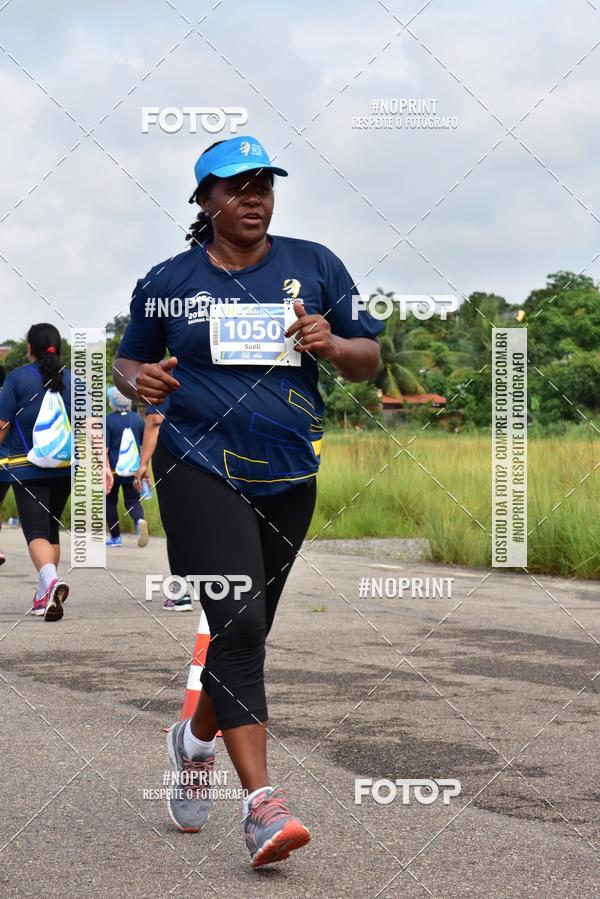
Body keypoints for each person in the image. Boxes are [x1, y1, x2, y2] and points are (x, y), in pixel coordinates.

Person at [113, 135, 382, 868]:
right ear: (204, 201)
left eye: (263, 183)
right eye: (235, 186)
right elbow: (129, 356)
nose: (254, 196)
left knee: (244, 638)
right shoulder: (168, 281)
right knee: (240, 620)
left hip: (289, 474)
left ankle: (193, 740)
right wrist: (139, 381)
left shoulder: (315, 266)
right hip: (197, 466)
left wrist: (332, 343)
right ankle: (263, 806)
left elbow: (369, 358)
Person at [0, 324, 72, 620]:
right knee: (51, 528)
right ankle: (44, 595)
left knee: (36, 530)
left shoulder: (17, 380)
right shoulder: (78, 382)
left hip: (26, 467)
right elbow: (92, 429)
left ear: (30, 348)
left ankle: (51, 582)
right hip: (66, 468)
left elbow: (2, 428)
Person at [105, 386, 148, 547]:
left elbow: (105, 449)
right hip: (133, 470)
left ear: (113, 402)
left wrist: (105, 468)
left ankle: (116, 538)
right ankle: (139, 520)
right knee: (132, 501)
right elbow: (144, 446)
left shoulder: (108, 420)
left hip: (114, 471)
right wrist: (144, 468)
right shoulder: (138, 419)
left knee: (109, 502)